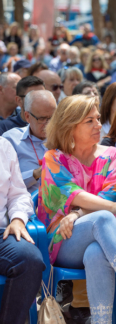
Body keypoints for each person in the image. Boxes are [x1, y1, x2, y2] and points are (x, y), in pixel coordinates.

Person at [38, 95, 116, 324]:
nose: (98, 125)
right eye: (89, 121)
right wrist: (111, 207)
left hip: (108, 238)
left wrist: (77, 213)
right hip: (64, 240)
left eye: (98, 118)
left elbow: (110, 194)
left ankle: (101, 321)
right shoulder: (53, 158)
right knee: (104, 217)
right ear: (69, 126)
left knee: (96, 251)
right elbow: (72, 194)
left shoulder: (111, 154)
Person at [0, 136, 45, 324]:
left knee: (31, 260)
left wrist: (18, 219)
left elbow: (18, 194)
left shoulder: (3, 146)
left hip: (1, 232)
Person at [3, 90, 56, 193]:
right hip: (27, 205)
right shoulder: (11, 140)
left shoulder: (65, 137)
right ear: (27, 116)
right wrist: (36, 173)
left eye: (53, 118)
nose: (49, 124)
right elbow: (6, 183)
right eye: (42, 118)